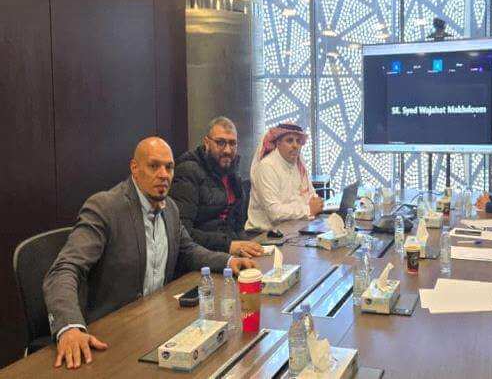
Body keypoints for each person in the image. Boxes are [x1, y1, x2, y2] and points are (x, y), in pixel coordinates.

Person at [43, 137, 256, 370]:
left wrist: (228, 261)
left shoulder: (170, 208)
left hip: (157, 326)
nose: (164, 175)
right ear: (135, 168)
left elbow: (189, 250)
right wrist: (70, 327)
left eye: (169, 167)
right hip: (110, 338)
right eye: (154, 166)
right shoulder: (105, 208)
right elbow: (64, 269)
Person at [171, 116, 263, 257]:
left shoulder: (233, 175)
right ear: (206, 143)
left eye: (232, 143)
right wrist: (228, 245)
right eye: (220, 142)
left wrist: (249, 248)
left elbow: (238, 227)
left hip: (231, 253)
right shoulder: (188, 172)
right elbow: (182, 233)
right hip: (201, 258)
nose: (227, 150)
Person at [245, 123, 324, 231]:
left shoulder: (298, 163)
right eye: (290, 140)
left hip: (293, 228)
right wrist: (308, 210)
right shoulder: (267, 167)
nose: (295, 145)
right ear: (278, 143)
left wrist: (316, 205)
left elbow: (312, 197)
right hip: (263, 234)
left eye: (298, 141)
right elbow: (275, 213)